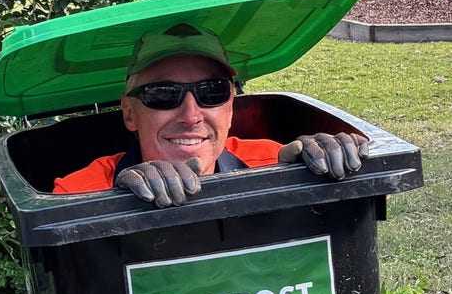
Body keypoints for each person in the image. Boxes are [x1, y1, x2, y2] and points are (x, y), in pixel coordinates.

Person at [53, 25, 369, 208]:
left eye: (212, 92)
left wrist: (313, 185)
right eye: (163, 94)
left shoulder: (274, 163)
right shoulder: (79, 192)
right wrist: (115, 206)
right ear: (129, 113)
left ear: (230, 106)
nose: (191, 115)